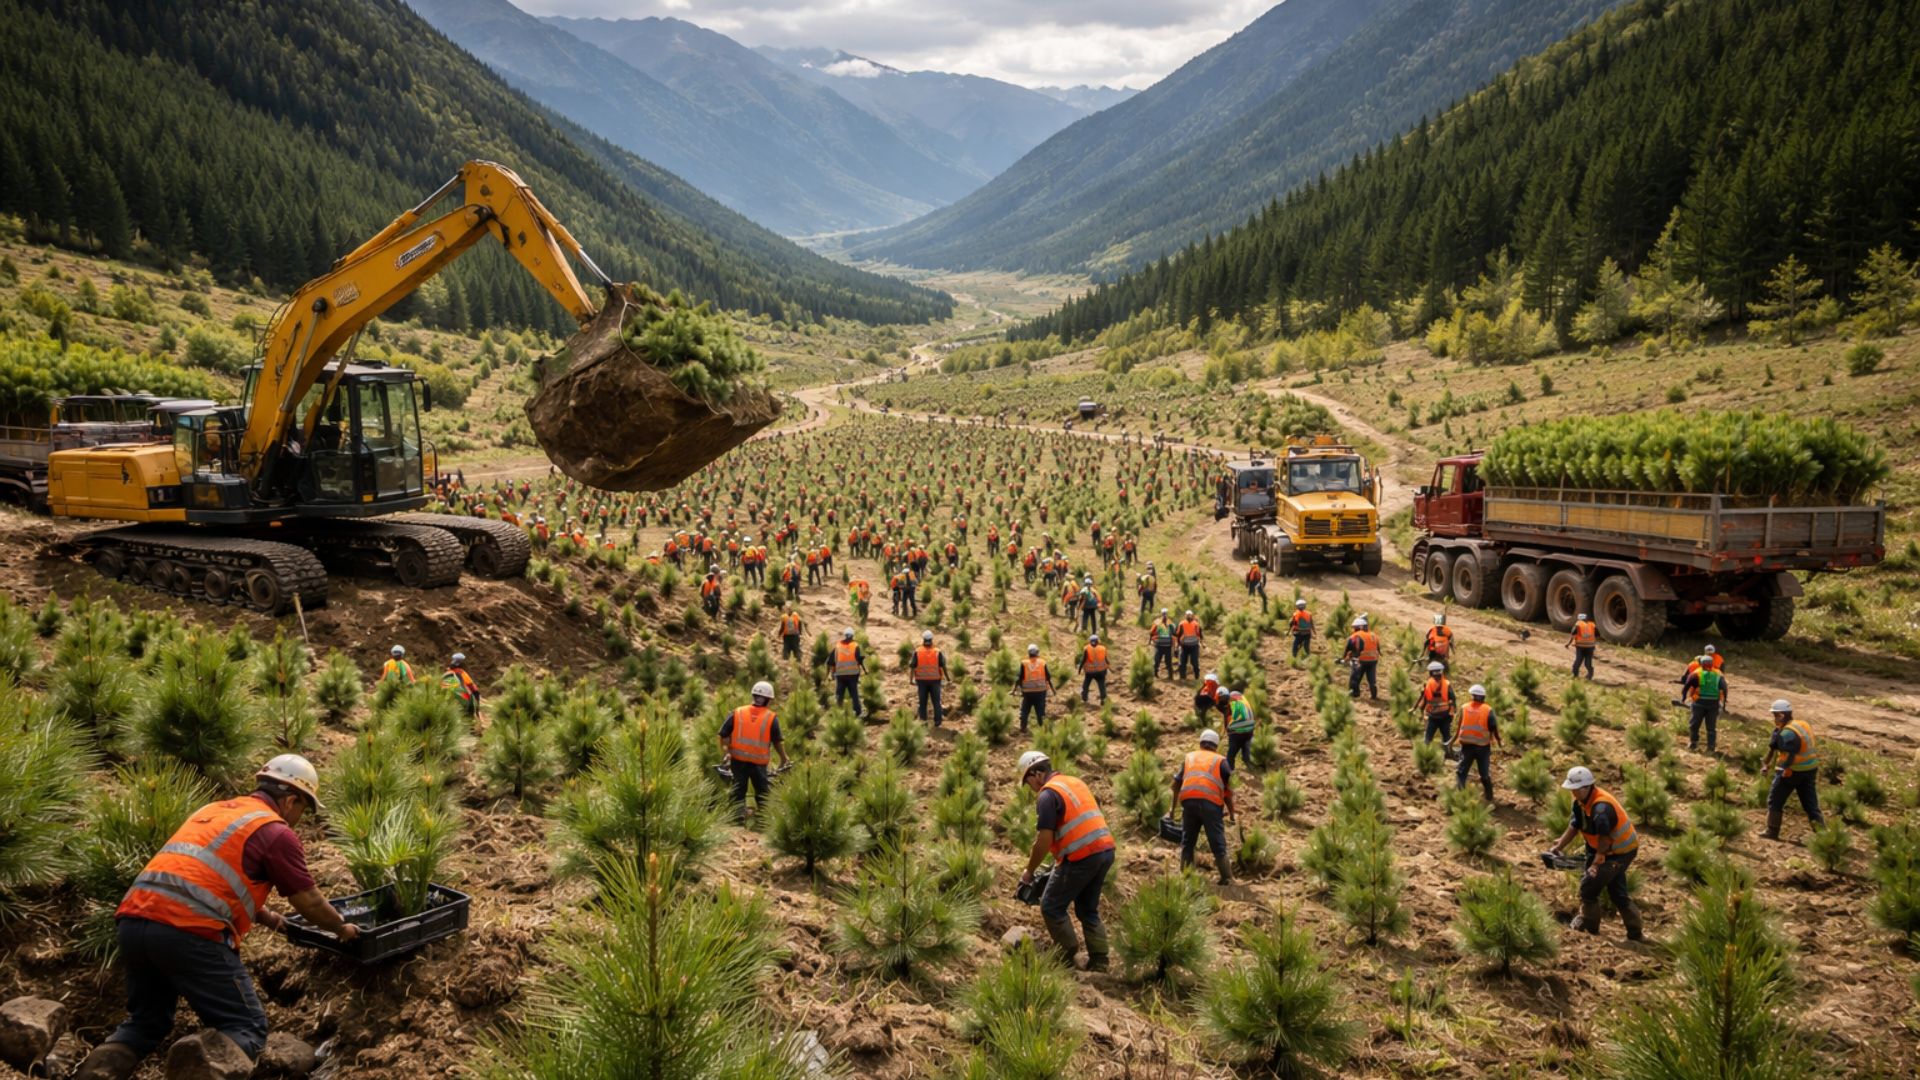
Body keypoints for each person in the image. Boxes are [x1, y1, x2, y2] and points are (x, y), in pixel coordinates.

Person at [75, 756, 360, 1080]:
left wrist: (268, 918)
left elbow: (203, 876)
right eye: (303, 808)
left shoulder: (213, 811)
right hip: (189, 931)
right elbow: (308, 900)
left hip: (134, 921)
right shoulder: (275, 831)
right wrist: (341, 928)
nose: (299, 817)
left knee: (145, 1023)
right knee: (244, 1027)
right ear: (291, 799)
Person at [1017, 751, 1114, 971]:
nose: (1030, 787)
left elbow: (1044, 840)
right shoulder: (1073, 782)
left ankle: (1067, 957)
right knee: (1088, 909)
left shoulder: (1047, 794)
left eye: (1028, 780)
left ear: (1037, 773)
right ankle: (1100, 962)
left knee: (1051, 907)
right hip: (1105, 851)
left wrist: (1029, 871)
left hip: (1082, 856)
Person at [1546, 766, 1644, 940]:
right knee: (1617, 892)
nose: (1573, 793)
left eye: (1575, 790)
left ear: (1586, 787)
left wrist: (1596, 864)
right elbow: (1574, 826)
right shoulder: (1581, 803)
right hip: (1603, 849)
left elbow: (1605, 840)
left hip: (1620, 852)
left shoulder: (1601, 809)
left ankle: (1589, 927)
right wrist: (1559, 846)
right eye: (1571, 790)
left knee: (1589, 886)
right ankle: (1635, 933)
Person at [718, 681, 790, 820]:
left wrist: (726, 752)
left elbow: (723, 734)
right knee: (763, 792)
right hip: (759, 763)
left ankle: (737, 819)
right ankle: (764, 820)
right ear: (769, 699)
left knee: (738, 791)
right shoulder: (771, 717)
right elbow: (777, 741)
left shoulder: (737, 712)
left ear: (754, 695)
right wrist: (783, 757)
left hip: (738, 761)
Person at [1173, 731, 1235, 885]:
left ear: (1201, 743)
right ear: (1216, 746)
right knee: (1217, 841)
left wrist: (1172, 810)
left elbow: (1175, 785)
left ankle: (1186, 878)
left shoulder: (1189, 757)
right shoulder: (1221, 760)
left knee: (1188, 841)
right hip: (1210, 804)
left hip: (1188, 801)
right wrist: (1232, 814)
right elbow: (1227, 792)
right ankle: (1227, 878)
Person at [1762, 700, 1824, 840]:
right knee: (1810, 804)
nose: (1774, 718)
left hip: (1792, 771)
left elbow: (1790, 753)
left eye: (1775, 715)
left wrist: (1785, 768)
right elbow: (1773, 747)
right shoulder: (1802, 724)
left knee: (1775, 800)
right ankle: (1823, 836)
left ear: (1782, 715)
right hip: (1810, 769)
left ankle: (1772, 832)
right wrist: (1766, 763)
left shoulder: (1787, 733)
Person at [1451, 684, 1500, 800]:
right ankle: (1489, 797)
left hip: (1466, 745)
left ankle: (1460, 797)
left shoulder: (1464, 707)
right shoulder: (1488, 709)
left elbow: (1458, 724)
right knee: (1484, 773)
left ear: (1472, 696)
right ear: (1483, 697)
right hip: (1482, 746)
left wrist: (1454, 739)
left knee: (1461, 772)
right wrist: (1497, 739)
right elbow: (1493, 726)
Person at [1680, 655, 1729, 752]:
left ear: (1701, 664)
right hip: (1714, 704)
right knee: (1711, 727)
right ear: (1712, 664)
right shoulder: (1718, 675)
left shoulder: (1696, 674)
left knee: (1694, 724)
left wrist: (1684, 698)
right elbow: (1724, 688)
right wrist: (1724, 703)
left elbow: (1686, 686)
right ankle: (1711, 748)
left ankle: (1693, 743)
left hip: (1698, 703)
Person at [912, 631, 949, 728]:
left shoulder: (917, 651)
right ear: (931, 640)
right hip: (935, 681)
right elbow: (943, 666)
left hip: (921, 681)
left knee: (922, 702)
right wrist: (948, 678)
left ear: (923, 640)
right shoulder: (937, 651)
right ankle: (937, 722)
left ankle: (923, 721)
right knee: (936, 702)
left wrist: (910, 679)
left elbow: (912, 666)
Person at [1017, 645, 1052, 732]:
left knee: (1025, 710)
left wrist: (1019, 688)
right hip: (1040, 692)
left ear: (1029, 653)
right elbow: (1048, 676)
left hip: (1028, 692)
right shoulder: (1042, 663)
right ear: (1037, 653)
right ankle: (1043, 729)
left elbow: (1019, 678)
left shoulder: (1024, 663)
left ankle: (1023, 727)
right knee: (1040, 711)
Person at [1419, 661, 1454, 747]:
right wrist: (1452, 713)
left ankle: (1426, 754)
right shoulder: (1447, 684)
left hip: (1433, 715)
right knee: (1447, 738)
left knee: (1428, 738)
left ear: (1430, 672)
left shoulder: (1428, 684)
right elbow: (1452, 699)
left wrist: (1421, 710)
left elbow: (1424, 700)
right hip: (1445, 715)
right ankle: (1448, 753)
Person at [1343, 617, 1379, 699]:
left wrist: (1344, 658)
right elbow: (1378, 648)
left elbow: (1348, 647)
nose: (1354, 630)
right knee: (1371, 679)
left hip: (1361, 660)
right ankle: (1374, 695)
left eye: (1355, 628)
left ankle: (1354, 694)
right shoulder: (1374, 635)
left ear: (1360, 627)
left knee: (1355, 677)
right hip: (1373, 660)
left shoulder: (1356, 636)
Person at [832, 628, 864, 718]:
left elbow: (835, 660)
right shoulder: (855, 645)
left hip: (840, 674)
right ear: (852, 635)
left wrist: (833, 672)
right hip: (852, 674)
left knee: (839, 695)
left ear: (844, 635)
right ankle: (858, 712)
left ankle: (837, 713)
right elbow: (858, 659)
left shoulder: (838, 645)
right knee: (854, 694)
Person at [1224, 690, 1256, 771]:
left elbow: (1228, 719)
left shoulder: (1232, 703)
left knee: (1231, 754)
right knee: (1246, 752)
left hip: (1236, 732)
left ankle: (1230, 771)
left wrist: (1228, 730)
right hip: (1249, 731)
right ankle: (1251, 769)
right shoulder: (1246, 703)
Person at [440, 652, 480, 718]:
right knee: (475, 693)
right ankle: (476, 713)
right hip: (463, 702)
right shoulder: (461, 673)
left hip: (447, 703)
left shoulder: (446, 674)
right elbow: (472, 687)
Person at [1077, 634, 1108, 705]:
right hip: (1101, 671)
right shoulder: (1103, 648)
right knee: (1102, 686)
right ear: (1098, 641)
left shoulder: (1087, 648)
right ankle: (1103, 699)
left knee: (1086, 685)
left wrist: (1080, 669)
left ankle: (1084, 698)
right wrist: (1107, 669)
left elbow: (1083, 660)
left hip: (1090, 672)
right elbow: (1106, 660)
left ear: (1090, 641)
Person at [1567, 612, 1597, 679]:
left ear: (1579, 619)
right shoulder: (1591, 624)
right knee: (1588, 663)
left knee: (1577, 662)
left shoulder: (1578, 624)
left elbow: (1572, 634)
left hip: (1581, 647)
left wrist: (1568, 644)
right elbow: (1596, 634)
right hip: (1590, 647)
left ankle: (1575, 676)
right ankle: (1590, 674)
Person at [1176, 610, 1204, 679]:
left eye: (1190, 615)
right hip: (1183, 646)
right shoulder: (1181, 624)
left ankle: (1197, 677)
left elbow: (1200, 635)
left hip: (1194, 646)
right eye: (1187, 615)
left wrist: (1202, 643)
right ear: (1185, 615)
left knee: (1195, 663)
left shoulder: (1196, 624)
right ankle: (1182, 678)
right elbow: (1177, 635)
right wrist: (1177, 645)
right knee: (1182, 663)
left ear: (1192, 615)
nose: (1189, 616)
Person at [1149, 608, 1176, 678]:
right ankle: (1155, 674)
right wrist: (1151, 641)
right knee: (1156, 660)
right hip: (1158, 645)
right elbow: (1151, 632)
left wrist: (1174, 644)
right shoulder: (1157, 622)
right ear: (1161, 614)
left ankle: (1170, 676)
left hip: (1168, 646)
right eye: (1163, 613)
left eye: (1165, 613)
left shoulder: (1170, 623)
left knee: (1168, 662)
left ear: (1167, 614)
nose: (1164, 615)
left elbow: (1174, 633)